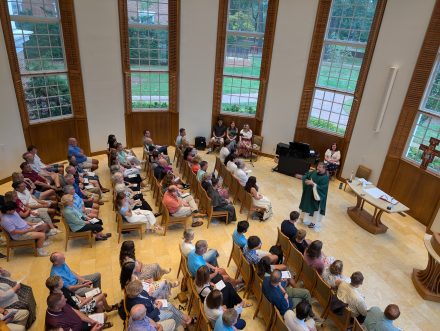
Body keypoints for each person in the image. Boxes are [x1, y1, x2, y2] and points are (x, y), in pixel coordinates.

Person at [124, 279, 192, 329]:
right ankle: (180, 325)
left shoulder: (138, 291)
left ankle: (184, 317)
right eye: (141, 289)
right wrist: (158, 308)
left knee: (169, 305)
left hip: (153, 305)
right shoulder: (135, 305)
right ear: (136, 293)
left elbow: (147, 296)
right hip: (154, 315)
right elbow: (147, 317)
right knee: (171, 314)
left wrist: (154, 300)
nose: (143, 290)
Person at [45, 275, 117, 314]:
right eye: (61, 282)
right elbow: (75, 308)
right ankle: (108, 308)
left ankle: (100, 323)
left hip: (80, 301)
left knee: (100, 303)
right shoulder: (58, 299)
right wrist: (85, 301)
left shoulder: (62, 288)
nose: (63, 282)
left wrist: (82, 299)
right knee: (101, 296)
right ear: (56, 287)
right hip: (80, 309)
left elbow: (73, 294)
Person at [298, 162, 329, 232]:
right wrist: (303, 178)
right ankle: (304, 218)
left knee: (315, 210)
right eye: (318, 166)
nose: (317, 168)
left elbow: (322, 188)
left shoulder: (325, 178)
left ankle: (313, 222)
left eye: (320, 167)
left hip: (317, 197)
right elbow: (307, 175)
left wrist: (313, 184)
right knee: (306, 205)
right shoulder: (314, 172)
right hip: (309, 194)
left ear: (324, 169)